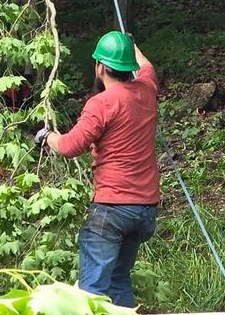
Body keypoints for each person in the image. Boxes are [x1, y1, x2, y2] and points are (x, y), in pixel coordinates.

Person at [34, 32, 159, 308]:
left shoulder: (102, 103)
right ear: (129, 66)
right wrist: (130, 45)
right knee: (118, 279)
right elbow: (147, 66)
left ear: (100, 67)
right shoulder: (148, 89)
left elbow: (69, 146)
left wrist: (46, 137)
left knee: (91, 291)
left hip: (113, 209)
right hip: (145, 210)